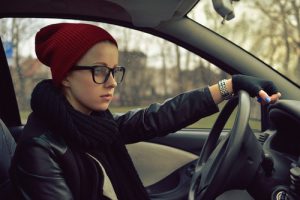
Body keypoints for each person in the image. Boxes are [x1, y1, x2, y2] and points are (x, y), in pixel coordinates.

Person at [9, 23, 281, 200]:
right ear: (65, 76)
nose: (113, 82)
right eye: (100, 71)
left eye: (114, 71)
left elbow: (155, 118)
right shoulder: (39, 150)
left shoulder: (96, 124)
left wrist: (229, 86)